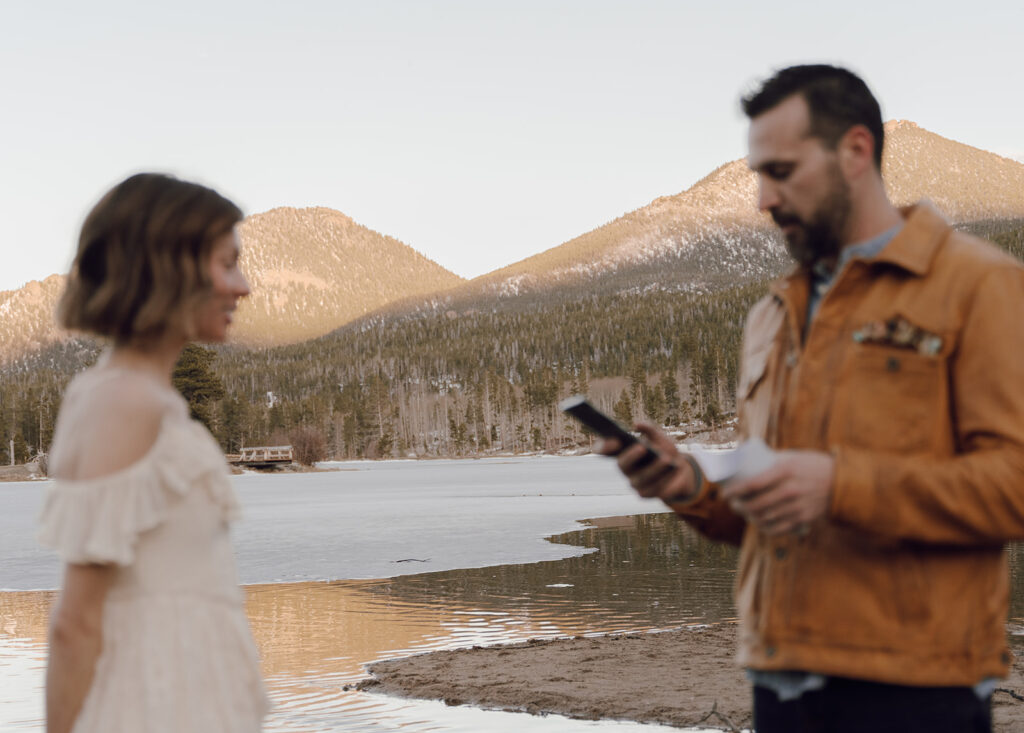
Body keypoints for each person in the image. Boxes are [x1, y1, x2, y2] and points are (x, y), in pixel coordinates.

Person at [601, 64, 1024, 733]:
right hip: (780, 683)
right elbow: (770, 514)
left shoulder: (979, 286)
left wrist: (841, 484)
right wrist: (687, 485)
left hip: (913, 691)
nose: (763, 198)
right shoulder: (770, 317)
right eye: (757, 175)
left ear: (855, 151)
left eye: (781, 170)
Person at [40, 173, 269, 732]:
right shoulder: (120, 401)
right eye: (226, 263)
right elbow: (76, 621)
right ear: (167, 269)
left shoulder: (147, 399)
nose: (243, 286)